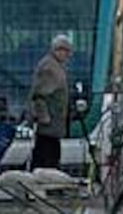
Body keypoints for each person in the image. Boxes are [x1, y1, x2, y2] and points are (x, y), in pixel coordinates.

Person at [25, 34, 73, 170]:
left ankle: (45, 182)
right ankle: (47, 184)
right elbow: (39, 95)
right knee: (48, 155)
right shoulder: (50, 68)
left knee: (47, 153)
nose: (68, 55)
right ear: (57, 50)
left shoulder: (55, 66)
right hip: (49, 124)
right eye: (65, 51)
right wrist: (43, 117)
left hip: (52, 124)